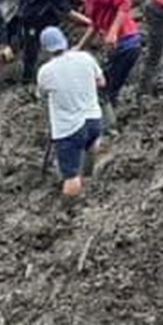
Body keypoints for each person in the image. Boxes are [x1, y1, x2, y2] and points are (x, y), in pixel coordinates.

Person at [59, 0, 142, 127]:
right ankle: (108, 120)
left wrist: (113, 31)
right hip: (117, 47)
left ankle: (109, 128)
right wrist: (79, 47)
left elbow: (124, 3)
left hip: (127, 43)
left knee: (104, 87)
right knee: (107, 85)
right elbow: (95, 25)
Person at [36, 27, 105, 199]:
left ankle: (68, 213)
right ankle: (88, 178)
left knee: (70, 176)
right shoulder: (85, 57)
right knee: (92, 145)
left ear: (45, 49)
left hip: (69, 129)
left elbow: (42, 94)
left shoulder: (46, 71)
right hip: (94, 120)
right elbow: (101, 82)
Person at [13, 0, 92, 84]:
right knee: (32, 45)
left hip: (45, 4)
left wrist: (89, 0)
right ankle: (27, 78)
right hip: (31, 13)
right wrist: (92, 23)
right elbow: (68, 13)